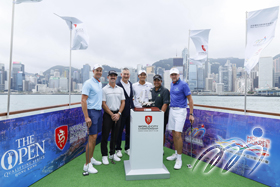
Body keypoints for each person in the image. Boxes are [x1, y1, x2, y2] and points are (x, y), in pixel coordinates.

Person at [166, 67, 194, 170]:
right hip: (172, 110)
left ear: (178, 75)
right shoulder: (171, 84)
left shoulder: (184, 84)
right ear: (170, 76)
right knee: (173, 133)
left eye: (175, 74)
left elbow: (190, 100)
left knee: (178, 134)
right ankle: (176, 153)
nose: (174, 76)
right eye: (172, 74)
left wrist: (191, 114)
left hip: (180, 111)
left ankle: (179, 159)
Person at [81, 64, 103, 174]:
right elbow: (83, 100)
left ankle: (91, 158)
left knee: (94, 137)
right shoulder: (88, 83)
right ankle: (87, 164)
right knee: (92, 138)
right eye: (97, 70)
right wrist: (86, 117)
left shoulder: (99, 82)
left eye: (100, 70)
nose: (99, 72)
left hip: (99, 111)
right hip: (92, 112)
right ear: (93, 71)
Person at [101, 70, 125, 164]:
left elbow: (123, 102)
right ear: (108, 77)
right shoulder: (104, 89)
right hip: (108, 115)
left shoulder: (120, 89)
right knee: (105, 135)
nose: (113, 77)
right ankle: (104, 155)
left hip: (118, 114)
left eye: (114, 76)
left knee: (115, 135)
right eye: (111, 75)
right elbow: (103, 104)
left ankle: (112, 153)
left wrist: (118, 113)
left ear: (116, 77)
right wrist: (112, 114)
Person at [115, 68, 135, 157]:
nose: (126, 75)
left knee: (129, 131)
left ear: (129, 75)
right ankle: (118, 149)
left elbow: (131, 97)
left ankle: (127, 148)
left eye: (127, 74)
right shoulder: (117, 85)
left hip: (130, 111)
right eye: (124, 74)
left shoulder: (131, 84)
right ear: (121, 74)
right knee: (119, 131)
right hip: (121, 112)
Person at [151, 74, 170, 154]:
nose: (156, 82)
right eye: (155, 80)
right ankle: (153, 146)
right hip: (152, 116)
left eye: (158, 80)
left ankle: (160, 149)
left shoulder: (165, 91)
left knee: (161, 132)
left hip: (162, 116)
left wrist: (160, 115)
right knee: (153, 132)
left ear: (161, 81)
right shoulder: (151, 90)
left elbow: (165, 104)